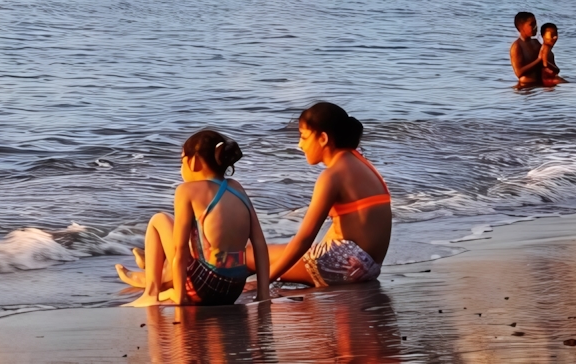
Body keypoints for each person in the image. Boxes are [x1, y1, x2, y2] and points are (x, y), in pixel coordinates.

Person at [115, 130, 270, 305]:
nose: (181, 167)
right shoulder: (237, 188)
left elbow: (180, 249)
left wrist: (181, 298)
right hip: (233, 288)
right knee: (200, 236)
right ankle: (154, 269)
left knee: (159, 219)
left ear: (194, 162)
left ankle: (151, 292)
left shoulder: (186, 190)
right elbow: (259, 244)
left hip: (204, 287)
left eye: (182, 161)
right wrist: (263, 294)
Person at [252, 102, 390, 288]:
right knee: (273, 259)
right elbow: (347, 229)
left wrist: (264, 282)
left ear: (323, 138)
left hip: (344, 266)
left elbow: (304, 240)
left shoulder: (332, 176)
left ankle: (219, 297)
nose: (300, 145)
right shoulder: (362, 165)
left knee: (250, 255)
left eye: (304, 136)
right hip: (367, 267)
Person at [509, 11, 544, 88]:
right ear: (521, 27)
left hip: (539, 85)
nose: (536, 27)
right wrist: (538, 60)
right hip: (525, 87)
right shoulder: (516, 46)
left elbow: (545, 59)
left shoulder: (536, 42)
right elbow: (519, 72)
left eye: (536, 24)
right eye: (532, 24)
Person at [538, 22, 566, 86]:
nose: (555, 37)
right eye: (552, 35)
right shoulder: (545, 49)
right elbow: (545, 65)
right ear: (543, 36)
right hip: (547, 81)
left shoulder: (550, 52)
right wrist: (556, 69)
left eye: (556, 34)